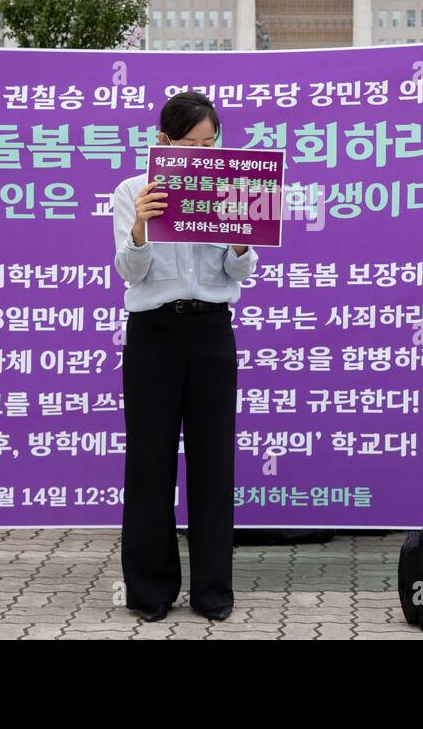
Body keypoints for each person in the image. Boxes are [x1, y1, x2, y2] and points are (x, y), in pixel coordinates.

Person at [111, 92, 258, 623]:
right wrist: (141, 228)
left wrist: (241, 240)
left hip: (212, 332)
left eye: (210, 142)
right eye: (191, 143)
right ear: (163, 142)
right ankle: (150, 591)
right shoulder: (133, 190)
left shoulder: (231, 187)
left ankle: (213, 591)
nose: (203, 153)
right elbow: (132, 273)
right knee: (149, 462)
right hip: (153, 333)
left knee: (213, 460)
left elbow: (238, 273)